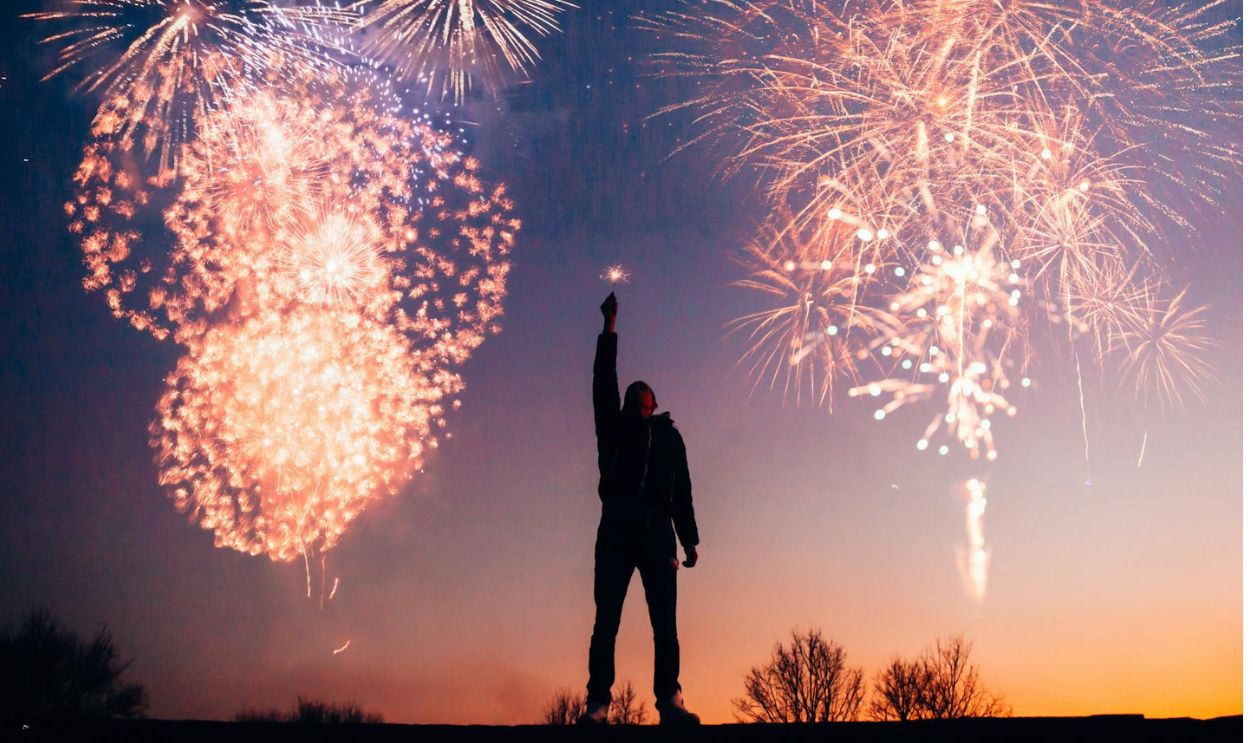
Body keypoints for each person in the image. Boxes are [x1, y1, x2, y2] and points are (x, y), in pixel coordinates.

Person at [579, 292, 701, 726]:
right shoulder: (612, 429)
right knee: (606, 619)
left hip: (656, 532)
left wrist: (689, 537)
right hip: (616, 527)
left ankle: (670, 700)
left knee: (664, 624)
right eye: (631, 399)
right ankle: (598, 703)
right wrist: (610, 327)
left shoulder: (669, 437)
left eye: (641, 400)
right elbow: (602, 380)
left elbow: (682, 489)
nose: (636, 403)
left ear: (652, 405)